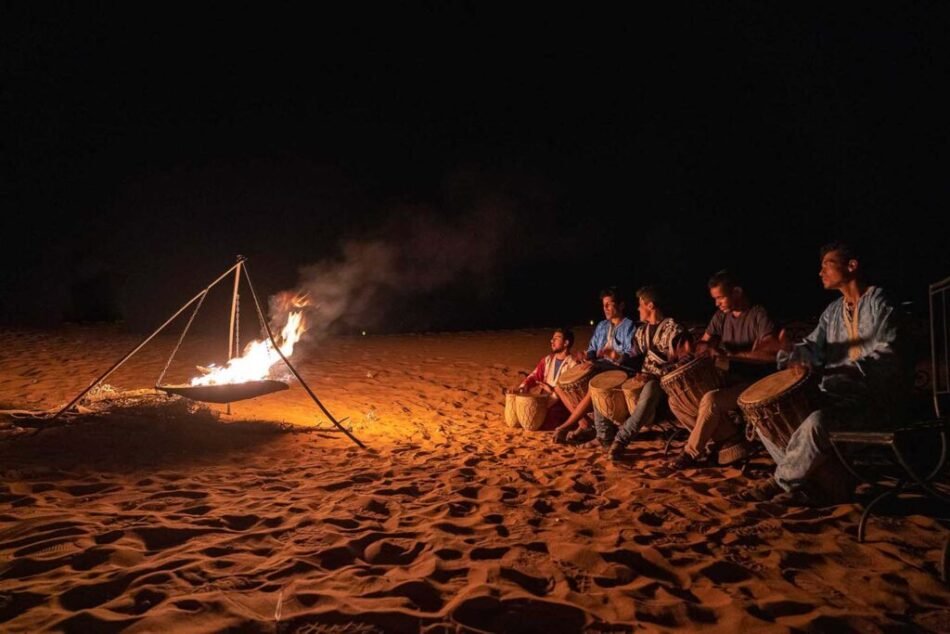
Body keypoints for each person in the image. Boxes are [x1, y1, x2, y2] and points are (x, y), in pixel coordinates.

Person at [737, 242, 907, 505]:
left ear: (851, 266)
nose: (820, 272)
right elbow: (812, 348)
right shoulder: (833, 311)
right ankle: (819, 485)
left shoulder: (880, 302)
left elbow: (888, 355)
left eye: (827, 264)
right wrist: (788, 351)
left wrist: (832, 369)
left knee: (818, 423)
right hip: (835, 398)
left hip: (873, 403)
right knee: (766, 418)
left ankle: (782, 481)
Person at [665, 270, 779, 470]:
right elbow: (704, 343)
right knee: (676, 401)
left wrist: (730, 356)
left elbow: (770, 354)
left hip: (755, 383)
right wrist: (700, 349)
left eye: (720, 298)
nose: (717, 303)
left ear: (737, 292)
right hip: (727, 379)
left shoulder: (759, 315)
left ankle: (691, 452)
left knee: (711, 400)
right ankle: (726, 441)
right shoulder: (721, 317)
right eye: (715, 299)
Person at [587, 286, 691, 459]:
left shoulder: (674, 330)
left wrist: (658, 374)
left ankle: (621, 439)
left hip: (666, 383)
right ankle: (604, 436)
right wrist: (616, 357)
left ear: (650, 306)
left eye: (640, 305)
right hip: (643, 378)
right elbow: (632, 356)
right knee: (602, 383)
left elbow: (686, 361)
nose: (638, 309)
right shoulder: (642, 331)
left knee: (651, 387)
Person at [553, 287, 636, 444]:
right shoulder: (602, 326)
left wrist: (613, 356)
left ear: (621, 305)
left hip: (621, 370)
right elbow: (592, 348)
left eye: (609, 304)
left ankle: (568, 426)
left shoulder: (629, 326)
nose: (605, 308)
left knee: (595, 383)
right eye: (603, 305)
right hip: (600, 366)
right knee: (560, 385)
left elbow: (630, 355)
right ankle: (584, 423)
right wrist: (588, 359)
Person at [511, 328, 580, 429]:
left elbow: (573, 393)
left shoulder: (573, 365)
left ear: (566, 343)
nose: (552, 341)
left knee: (539, 422)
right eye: (552, 339)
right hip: (545, 402)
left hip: (561, 406)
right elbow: (534, 376)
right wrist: (523, 387)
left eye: (556, 338)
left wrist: (552, 391)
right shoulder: (548, 360)